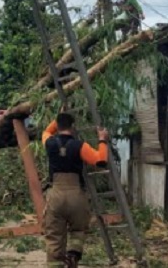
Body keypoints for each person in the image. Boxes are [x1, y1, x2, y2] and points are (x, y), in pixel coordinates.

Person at [42, 112, 109, 268]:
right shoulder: (80, 146)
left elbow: (46, 131)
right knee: (78, 230)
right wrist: (102, 140)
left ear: (57, 126)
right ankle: (73, 255)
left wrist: (58, 117)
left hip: (56, 194)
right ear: (72, 127)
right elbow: (100, 160)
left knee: (54, 236)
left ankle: (55, 264)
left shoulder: (49, 142)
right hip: (76, 194)